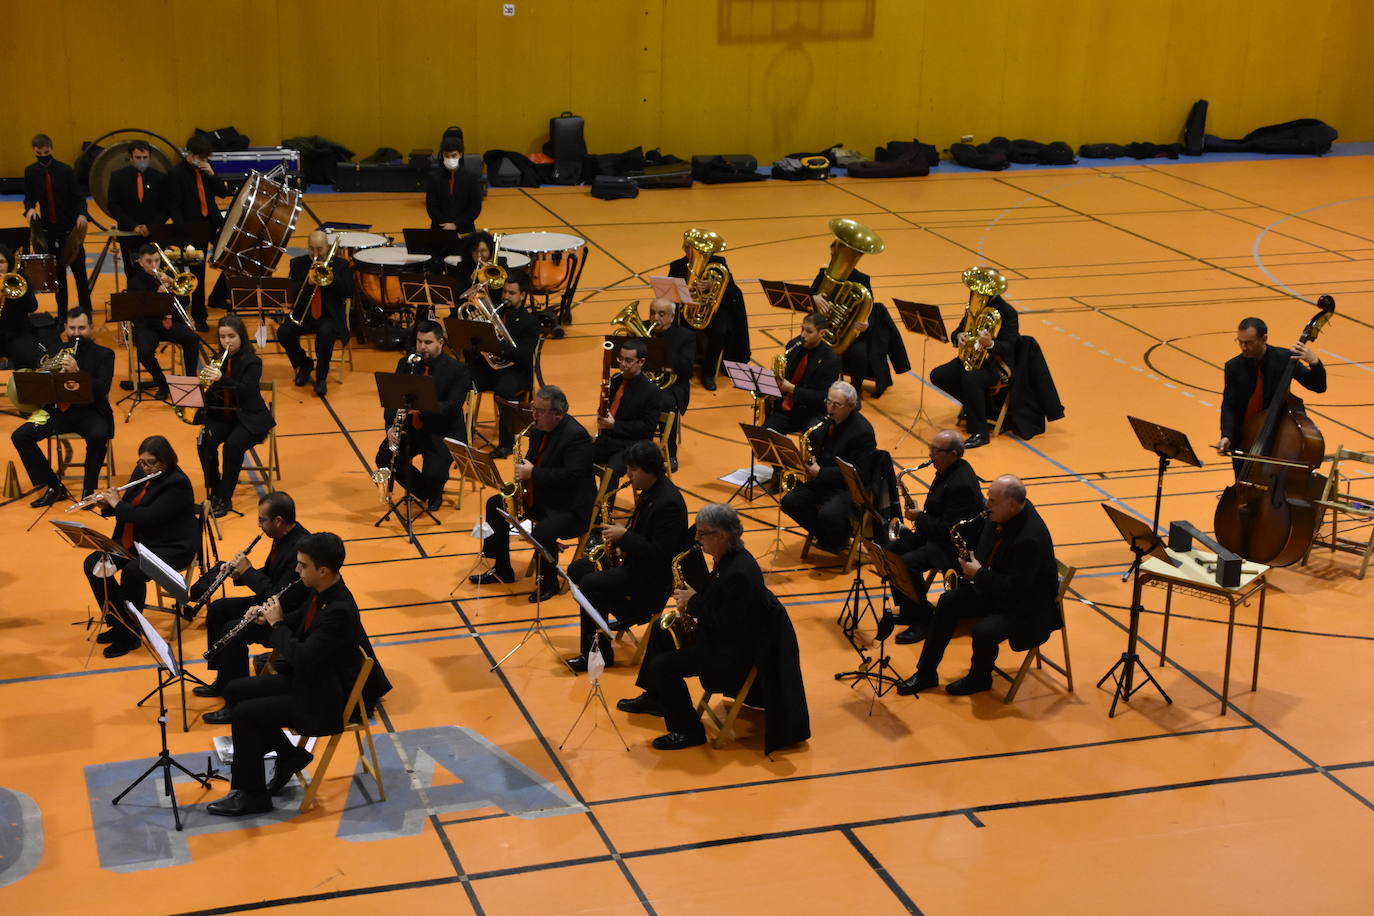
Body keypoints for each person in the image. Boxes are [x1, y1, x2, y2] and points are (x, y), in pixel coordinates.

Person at [205, 533, 392, 817]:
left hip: (325, 700)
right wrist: (267, 620)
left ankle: (253, 795)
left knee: (245, 714)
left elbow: (301, 656)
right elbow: (300, 621)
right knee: (234, 691)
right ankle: (289, 754)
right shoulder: (323, 591)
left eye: (303, 565)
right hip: (312, 682)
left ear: (323, 570)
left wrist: (277, 623)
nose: (297, 570)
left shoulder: (339, 610)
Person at [618, 503, 768, 750]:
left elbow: (729, 624)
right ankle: (655, 698)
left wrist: (694, 601)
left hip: (731, 653)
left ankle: (688, 731)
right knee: (661, 630)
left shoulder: (740, 571)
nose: (697, 539)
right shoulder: (725, 558)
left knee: (663, 666)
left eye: (702, 533)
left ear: (722, 535)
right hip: (720, 637)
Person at [896, 475, 1057, 697]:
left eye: (992, 501)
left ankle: (979, 679)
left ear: (1012, 504)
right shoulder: (1003, 513)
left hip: (1025, 606)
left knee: (984, 630)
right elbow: (983, 541)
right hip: (997, 590)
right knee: (948, 601)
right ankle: (926, 673)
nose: (986, 505)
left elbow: (1016, 587)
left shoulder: (1030, 538)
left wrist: (978, 574)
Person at [565, 441, 689, 671]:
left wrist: (625, 537)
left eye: (633, 470)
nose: (629, 475)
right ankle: (599, 635)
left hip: (650, 582)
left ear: (650, 470)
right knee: (577, 569)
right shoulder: (650, 490)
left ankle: (598, 653)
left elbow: (661, 554)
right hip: (636, 566)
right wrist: (620, 547)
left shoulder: (668, 503)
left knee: (591, 583)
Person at [470, 385, 594, 603]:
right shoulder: (538, 428)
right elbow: (530, 460)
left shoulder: (576, 437)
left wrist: (533, 473)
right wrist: (522, 478)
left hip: (570, 506)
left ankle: (549, 583)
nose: (534, 415)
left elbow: (571, 477)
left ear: (558, 413)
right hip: (543, 494)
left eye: (540, 411)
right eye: (534, 408)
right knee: (495, 504)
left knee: (544, 531)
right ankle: (502, 568)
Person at [81, 436, 198, 658]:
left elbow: (148, 517)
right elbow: (130, 506)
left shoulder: (177, 484)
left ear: (165, 460)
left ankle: (132, 635)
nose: (145, 467)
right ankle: (118, 624)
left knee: (133, 572)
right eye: (142, 462)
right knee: (93, 564)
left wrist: (117, 503)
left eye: (151, 462)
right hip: (138, 541)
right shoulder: (142, 473)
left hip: (170, 547)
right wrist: (106, 504)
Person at [196, 492, 312, 712]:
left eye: (262, 520)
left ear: (278, 521)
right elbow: (270, 575)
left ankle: (235, 701)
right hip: (271, 604)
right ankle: (223, 681)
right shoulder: (281, 538)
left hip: (286, 617)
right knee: (219, 609)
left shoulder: (299, 547)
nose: (259, 525)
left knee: (233, 630)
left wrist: (248, 571)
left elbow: (278, 595)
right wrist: (239, 574)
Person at [887, 430, 986, 645]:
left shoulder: (961, 483)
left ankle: (922, 620)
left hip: (953, 547)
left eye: (936, 450)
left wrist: (919, 517)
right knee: (892, 551)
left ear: (953, 453)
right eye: (931, 448)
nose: (930, 454)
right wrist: (922, 517)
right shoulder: (947, 469)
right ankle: (909, 608)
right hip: (936, 534)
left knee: (908, 563)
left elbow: (949, 529)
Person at [10, 307, 115, 506]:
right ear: (65, 327)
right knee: (20, 436)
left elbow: (103, 387)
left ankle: (88, 489)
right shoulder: (53, 351)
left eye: (82, 328)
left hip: (90, 412)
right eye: (72, 328)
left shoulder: (104, 354)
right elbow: (38, 377)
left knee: (98, 435)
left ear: (91, 328)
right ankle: (53, 486)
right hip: (59, 412)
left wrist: (78, 372)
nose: (76, 333)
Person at [374, 320, 470, 512]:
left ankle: (434, 489)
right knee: (384, 459)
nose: (422, 347)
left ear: (440, 343)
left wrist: (422, 408)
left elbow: (452, 406)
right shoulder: (407, 364)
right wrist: (390, 428)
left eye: (428, 342)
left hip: (442, 431)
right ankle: (426, 491)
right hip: (412, 428)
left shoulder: (457, 370)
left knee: (433, 474)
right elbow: (392, 400)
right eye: (419, 342)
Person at [1217, 316, 1327, 476]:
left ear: (1264, 339)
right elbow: (1229, 406)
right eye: (1240, 342)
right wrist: (1227, 435)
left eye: (1249, 343)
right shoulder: (1234, 367)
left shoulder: (1284, 359)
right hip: (1245, 441)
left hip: (1277, 441)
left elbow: (1318, 386)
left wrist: (1315, 363)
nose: (1243, 347)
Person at [779, 381, 876, 554]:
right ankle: (828, 536)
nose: (830, 408)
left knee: (828, 514)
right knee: (790, 502)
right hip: (824, 480)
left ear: (851, 406)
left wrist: (821, 472)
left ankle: (837, 539)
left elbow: (859, 472)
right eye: (828, 402)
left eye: (836, 405)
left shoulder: (862, 432)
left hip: (849, 487)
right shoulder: (825, 420)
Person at [929, 269, 1019, 449]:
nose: (976, 293)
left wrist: (991, 343)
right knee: (938, 375)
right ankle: (976, 407)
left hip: (995, 365)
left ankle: (980, 433)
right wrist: (958, 336)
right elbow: (959, 329)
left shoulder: (1008, 312)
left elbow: (1010, 346)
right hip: (971, 359)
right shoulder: (974, 305)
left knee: (970, 380)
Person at [197, 315, 274, 517]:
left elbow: (246, 391)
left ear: (241, 336)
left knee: (233, 445)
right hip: (224, 417)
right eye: (222, 337)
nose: (226, 341)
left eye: (231, 336)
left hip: (249, 418)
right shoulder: (216, 359)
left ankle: (224, 497)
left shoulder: (253, 362)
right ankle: (214, 489)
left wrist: (222, 379)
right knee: (204, 441)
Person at [808, 251, 909, 398]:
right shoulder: (824, 274)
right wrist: (814, 298)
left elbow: (869, 309)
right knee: (801, 344)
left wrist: (866, 324)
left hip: (848, 334)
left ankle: (854, 392)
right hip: (823, 330)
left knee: (858, 354)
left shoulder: (862, 279)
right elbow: (808, 298)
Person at [762, 312, 842, 492]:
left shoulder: (831, 360)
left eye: (809, 331)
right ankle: (781, 473)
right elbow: (784, 378)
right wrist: (774, 389)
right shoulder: (793, 347)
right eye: (802, 329)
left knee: (813, 435)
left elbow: (822, 397)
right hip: (789, 408)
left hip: (814, 411)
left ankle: (811, 479)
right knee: (768, 431)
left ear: (821, 334)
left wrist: (792, 389)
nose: (803, 335)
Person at [666, 228, 751, 390]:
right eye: (685, 247)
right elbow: (669, 294)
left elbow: (735, 293)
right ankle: (684, 368)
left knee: (718, 333)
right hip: (687, 311)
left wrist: (715, 286)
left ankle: (708, 373)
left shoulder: (718, 265)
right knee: (682, 330)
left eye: (690, 248)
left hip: (712, 313)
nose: (687, 251)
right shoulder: (677, 267)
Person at [468, 270, 540, 458]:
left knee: (503, 390)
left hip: (515, 372)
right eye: (505, 292)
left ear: (522, 296)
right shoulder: (496, 313)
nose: (506, 296)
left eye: (511, 293)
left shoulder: (530, 322)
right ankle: (461, 436)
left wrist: (497, 345)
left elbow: (523, 356)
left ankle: (506, 445)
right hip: (491, 369)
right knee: (461, 378)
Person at [22, 134, 91, 319]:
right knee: (58, 279)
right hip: (49, 232)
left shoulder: (66, 171)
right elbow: (29, 197)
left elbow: (79, 198)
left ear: (51, 149)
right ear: (34, 151)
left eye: (45, 152)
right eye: (38, 153)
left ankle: (87, 312)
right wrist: (29, 209)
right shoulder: (30, 172)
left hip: (70, 231)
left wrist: (82, 214)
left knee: (80, 276)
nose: (43, 156)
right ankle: (61, 317)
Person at [281, 229, 354, 397]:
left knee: (325, 332)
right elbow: (292, 295)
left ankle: (321, 377)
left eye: (319, 249)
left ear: (327, 247)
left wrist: (331, 277)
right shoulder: (297, 264)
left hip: (329, 317)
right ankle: (304, 363)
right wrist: (307, 282)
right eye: (311, 248)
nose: (315, 253)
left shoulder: (341, 265)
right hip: (304, 316)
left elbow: (349, 292)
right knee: (283, 331)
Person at [125, 243, 203, 398]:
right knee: (144, 353)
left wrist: (173, 289)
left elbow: (185, 302)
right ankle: (162, 383)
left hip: (170, 324)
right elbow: (139, 312)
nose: (154, 265)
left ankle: (190, 383)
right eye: (149, 261)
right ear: (140, 262)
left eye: (156, 260)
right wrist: (158, 296)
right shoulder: (134, 282)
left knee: (192, 338)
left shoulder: (168, 276)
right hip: (148, 326)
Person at [165, 134, 227, 329]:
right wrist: (183, 229)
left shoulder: (207, 169)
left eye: (207, 158)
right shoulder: (176, 174)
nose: (204, 161)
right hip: (192, 227)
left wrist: (212, 174)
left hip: (213, 223)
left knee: (231, 257)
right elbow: (173, 205)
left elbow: (222, 192)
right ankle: (200, 316)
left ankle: (217, 296)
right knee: (197, 272)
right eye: (200, 157)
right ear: (190, 154)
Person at [594, 337, 662, 485]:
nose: (623, 364)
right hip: (608, 440)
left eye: (629, 361)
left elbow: (647, 429)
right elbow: (609, 409)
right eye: (621, 358)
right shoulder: (616, 379)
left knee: (611, 471)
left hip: (631, 446)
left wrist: (614, 425)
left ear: (641, 362)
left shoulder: (651, 391)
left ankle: (604, 508)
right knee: (578, 457)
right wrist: (602, 412)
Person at [106, 140, 168, 276]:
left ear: (150, 157)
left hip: (153, 233)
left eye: (145, 157)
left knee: (156, 273)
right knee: (132, 273)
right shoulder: (118, 177)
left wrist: (150, 226)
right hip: (129, 234)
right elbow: (114, 205)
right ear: (130, 157)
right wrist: (133, 226)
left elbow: (165, 207)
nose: (142, 161)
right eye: (138, 157)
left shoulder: (160, 178)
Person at [649, 297, 695, 471]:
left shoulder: (686, 336)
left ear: (671, 317)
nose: (656, 318)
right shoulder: (643, 328)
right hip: (647, 380)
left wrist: (661, 351)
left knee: (666, 403)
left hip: (672, 385)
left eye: (662, 314)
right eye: (653, 313)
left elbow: (687, 369)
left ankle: (670, 452)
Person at [425, 136, 481, 233]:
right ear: (442, 155)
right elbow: (431, 206)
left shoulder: (471, 178)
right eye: (447, 156)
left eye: (454, 155)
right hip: (440, 228)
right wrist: (444, 224)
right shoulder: (434, 178)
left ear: (460, 154)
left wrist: (456, 224)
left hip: (465, 228)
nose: (450, 159)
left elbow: (475, 208)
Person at [0, 243, 42, 369]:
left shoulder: (20, 279)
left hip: (17, 333)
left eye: (1, 262)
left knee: (27, 358)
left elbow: (32, 306)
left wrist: (14, 292)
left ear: (9, 264)